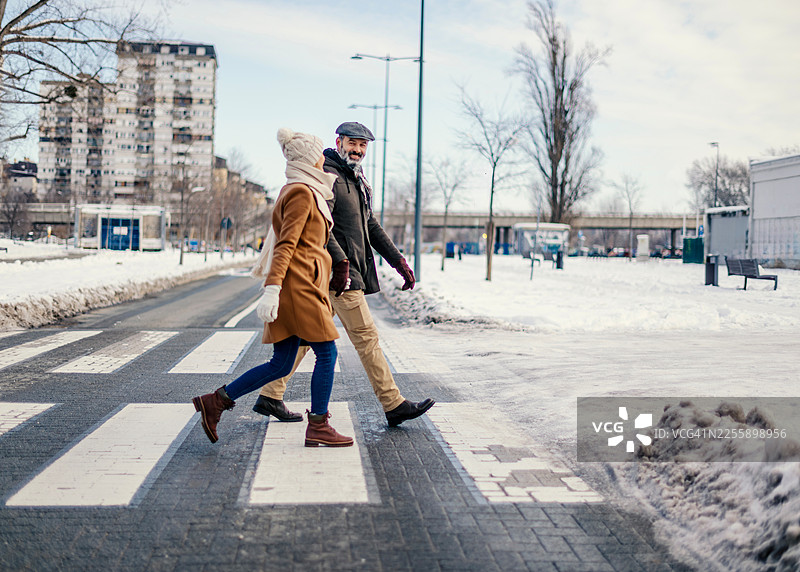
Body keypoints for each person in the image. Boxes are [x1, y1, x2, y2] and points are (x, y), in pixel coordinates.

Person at [252, 121, 435, 428]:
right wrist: (342, 262)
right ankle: (392, 404)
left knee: (307, 339)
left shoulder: (357, 180)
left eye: (363, 145)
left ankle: (271, 394)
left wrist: (397, 260)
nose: (358, 150)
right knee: (366, 337)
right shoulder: (330, 177)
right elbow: (323, 226)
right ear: (339, 142)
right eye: (353, 143)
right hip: (337, 274)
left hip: (338, 272)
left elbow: (370, 226)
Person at [192, 128, 352, 447]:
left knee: (280, 363)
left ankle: (216, 401)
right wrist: (273, 288)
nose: (323, 160)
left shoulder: (303, 190)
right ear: (308, 159)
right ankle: (318, 425)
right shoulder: (301, 193)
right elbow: (285, 244)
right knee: (327, 352)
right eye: (319, 155)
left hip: (304, 283)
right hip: (299, 286)